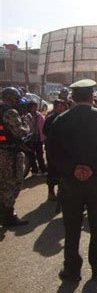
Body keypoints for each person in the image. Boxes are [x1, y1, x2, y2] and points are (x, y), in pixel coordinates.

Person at [50, 79, 97, 281]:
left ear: (72, 98)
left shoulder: (60, 120)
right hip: (96, 182)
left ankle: (71, 269)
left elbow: (52, 152)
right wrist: (93, 168)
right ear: (91, 97)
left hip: (70, 183)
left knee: (71, 227)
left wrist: (72, 169)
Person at [0, 87, 30, 227]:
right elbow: (20, 132)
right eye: (16, 98)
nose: (18, 101)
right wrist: (25, 123)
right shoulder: (10, 112)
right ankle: (8, 216)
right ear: (10, 98)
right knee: (12, 184)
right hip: (8, 154)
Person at [43, 99, 67, 201]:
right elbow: (45, 131)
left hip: (62, 148)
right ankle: (51, 192)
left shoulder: (65, 117)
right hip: (53, 148)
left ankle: (61, 192)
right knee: (52, 170)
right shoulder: (51, 118)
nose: (63, 107)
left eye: (64, 106)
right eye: (61, 105)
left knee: (62, 171)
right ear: (56, 106)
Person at [24, 101, 47, 177]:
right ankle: (34, 170)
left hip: (38, 139)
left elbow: (43, 127)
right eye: (34, 107)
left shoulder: (39, 116)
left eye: (36, 107)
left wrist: (44, 137)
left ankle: (43, 169)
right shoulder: (26, 116)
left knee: (40, 155)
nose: (35, 109)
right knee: (31, 156)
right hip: (29, 139)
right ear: (29, 108)